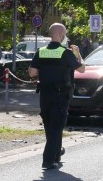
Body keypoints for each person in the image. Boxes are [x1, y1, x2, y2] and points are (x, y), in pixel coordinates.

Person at [27, 23, 85, 170]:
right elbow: (82, 69)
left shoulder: (41, 51)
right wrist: (77, 53)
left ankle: (56, 153)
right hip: (61, 94)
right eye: (65, 34)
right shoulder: (66, 53)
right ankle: (48, 160)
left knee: (49, 124)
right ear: (61, 35)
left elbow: (32, 73)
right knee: (57, 126)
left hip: (45, 94)